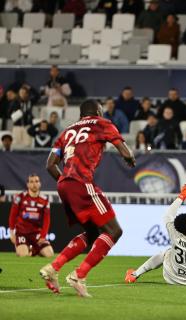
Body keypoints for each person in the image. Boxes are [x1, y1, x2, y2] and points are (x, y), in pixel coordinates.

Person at [40, 99, 136, 297]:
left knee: (92, 232)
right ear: (98, 111)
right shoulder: (102, 123)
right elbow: (123, 149)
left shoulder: (66, 131)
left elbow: (50, 164)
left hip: (64, 185)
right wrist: (129, 158)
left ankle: (53, 268)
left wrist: (66, 182)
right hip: (82, 182)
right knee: (114, 230)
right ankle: (79, 274)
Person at [9, 174, 54, 258]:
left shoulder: (44, 200)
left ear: (40, 183)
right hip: (22, 233)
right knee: (23, 255)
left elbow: (47, 220)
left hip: (36, 234)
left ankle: (33, 249)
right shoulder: (20, 197)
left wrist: (43, 236)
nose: (34, 184)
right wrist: (12, 233)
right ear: (27, 184)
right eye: (31, 182)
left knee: (49, 254)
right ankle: (26, 249)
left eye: (36, 181)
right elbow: (12, 215)